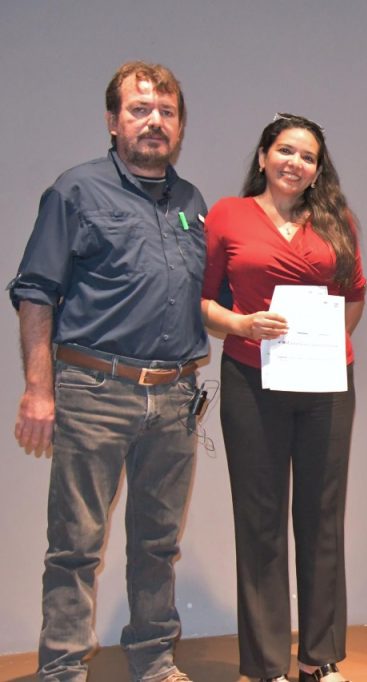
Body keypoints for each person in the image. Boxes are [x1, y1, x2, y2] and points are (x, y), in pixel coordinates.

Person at [8, 61, 206, 682]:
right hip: (94, 390)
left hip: (174, 397)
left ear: (179, 126)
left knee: (158, 543)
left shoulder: (192, 202)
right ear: (113, 121)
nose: (154, 122)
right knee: (75, 545)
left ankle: (154, 661)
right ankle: (63, 669)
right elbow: (36, 292)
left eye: (166, 112)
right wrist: (38, 390)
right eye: (139, 109)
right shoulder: (76, 190)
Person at [201, 113, 366, 682]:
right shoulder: (228, 214)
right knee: (260, 520)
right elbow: (202, 300)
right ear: (264, 156)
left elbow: (354, 296)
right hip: (252, 381)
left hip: (326, 386)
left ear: (319, 170)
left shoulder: (339, 221)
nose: (296, 163)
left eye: (308, 157)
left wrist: (328, 347)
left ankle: (319, 658)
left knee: (323, 518)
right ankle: (267, 664)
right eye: (286, 151)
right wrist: (240, 325)